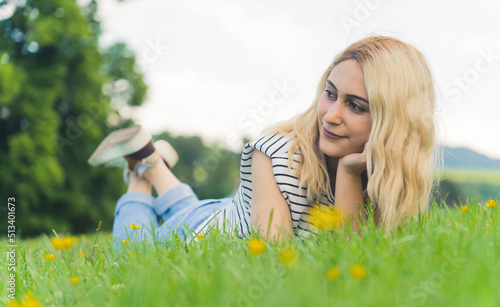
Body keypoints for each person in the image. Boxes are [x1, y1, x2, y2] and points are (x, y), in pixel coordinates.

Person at [88, 35, 440, 247]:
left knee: (204, 211)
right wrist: (349, 175)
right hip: (201, 236)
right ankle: (139, 173)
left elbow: (356, 266)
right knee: (133, 251)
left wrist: (348, 172)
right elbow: (277, 258)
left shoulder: (388, 181)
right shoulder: (275, 152)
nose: (331, 115)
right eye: (330, 94)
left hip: (228, 213)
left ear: (392, 122)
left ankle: (149, 156)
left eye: (355, 106)